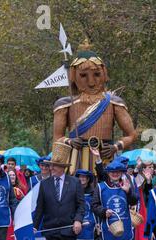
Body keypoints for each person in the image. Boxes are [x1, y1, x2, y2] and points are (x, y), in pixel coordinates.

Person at [53, 39, 137, 173]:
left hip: (106, 160)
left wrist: (115, 147)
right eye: (83, 76)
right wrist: (69, 141)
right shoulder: (64, 105)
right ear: (74, 76)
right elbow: (57, 137)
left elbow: (132, 135)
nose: (91, 82)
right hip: (76, 161)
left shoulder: (114, 103)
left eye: (97, 74)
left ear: (104, 74)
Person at [33, 143, 85, 240]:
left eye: (55, 166)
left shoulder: (75, 183)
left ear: (63, 167)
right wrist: (35, 226)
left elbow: (81, 205)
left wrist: (78, 220)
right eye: (50, 165)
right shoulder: (44, 184)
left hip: (69, 228)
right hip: (51, 229)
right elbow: (40, 208)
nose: (51, 168)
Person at [74, 170, 97, 240]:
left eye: (84, 177)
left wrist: (97, 222)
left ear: (88, 179)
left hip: (89, 220)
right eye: (80, 177)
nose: (82, 179)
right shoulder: (74, 189)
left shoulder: (93, 191)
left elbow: (96, 206)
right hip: (76, 221)